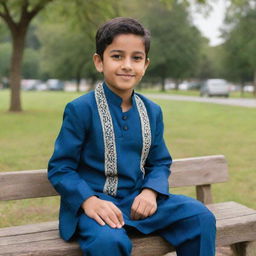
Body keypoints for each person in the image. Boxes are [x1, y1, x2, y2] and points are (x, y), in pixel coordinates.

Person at [48, 17, 216, 256]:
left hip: (139, 203)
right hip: (97, 208)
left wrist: (150, 192)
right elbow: (61, 168)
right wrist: (88, 201)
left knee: (199, 217)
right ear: (99, 62)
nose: (127, 65)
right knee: (107, 243)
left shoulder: (152, 111)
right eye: (117, 56)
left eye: (136, 58)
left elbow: (159, 162)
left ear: (145, 65)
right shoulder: (80, 109)